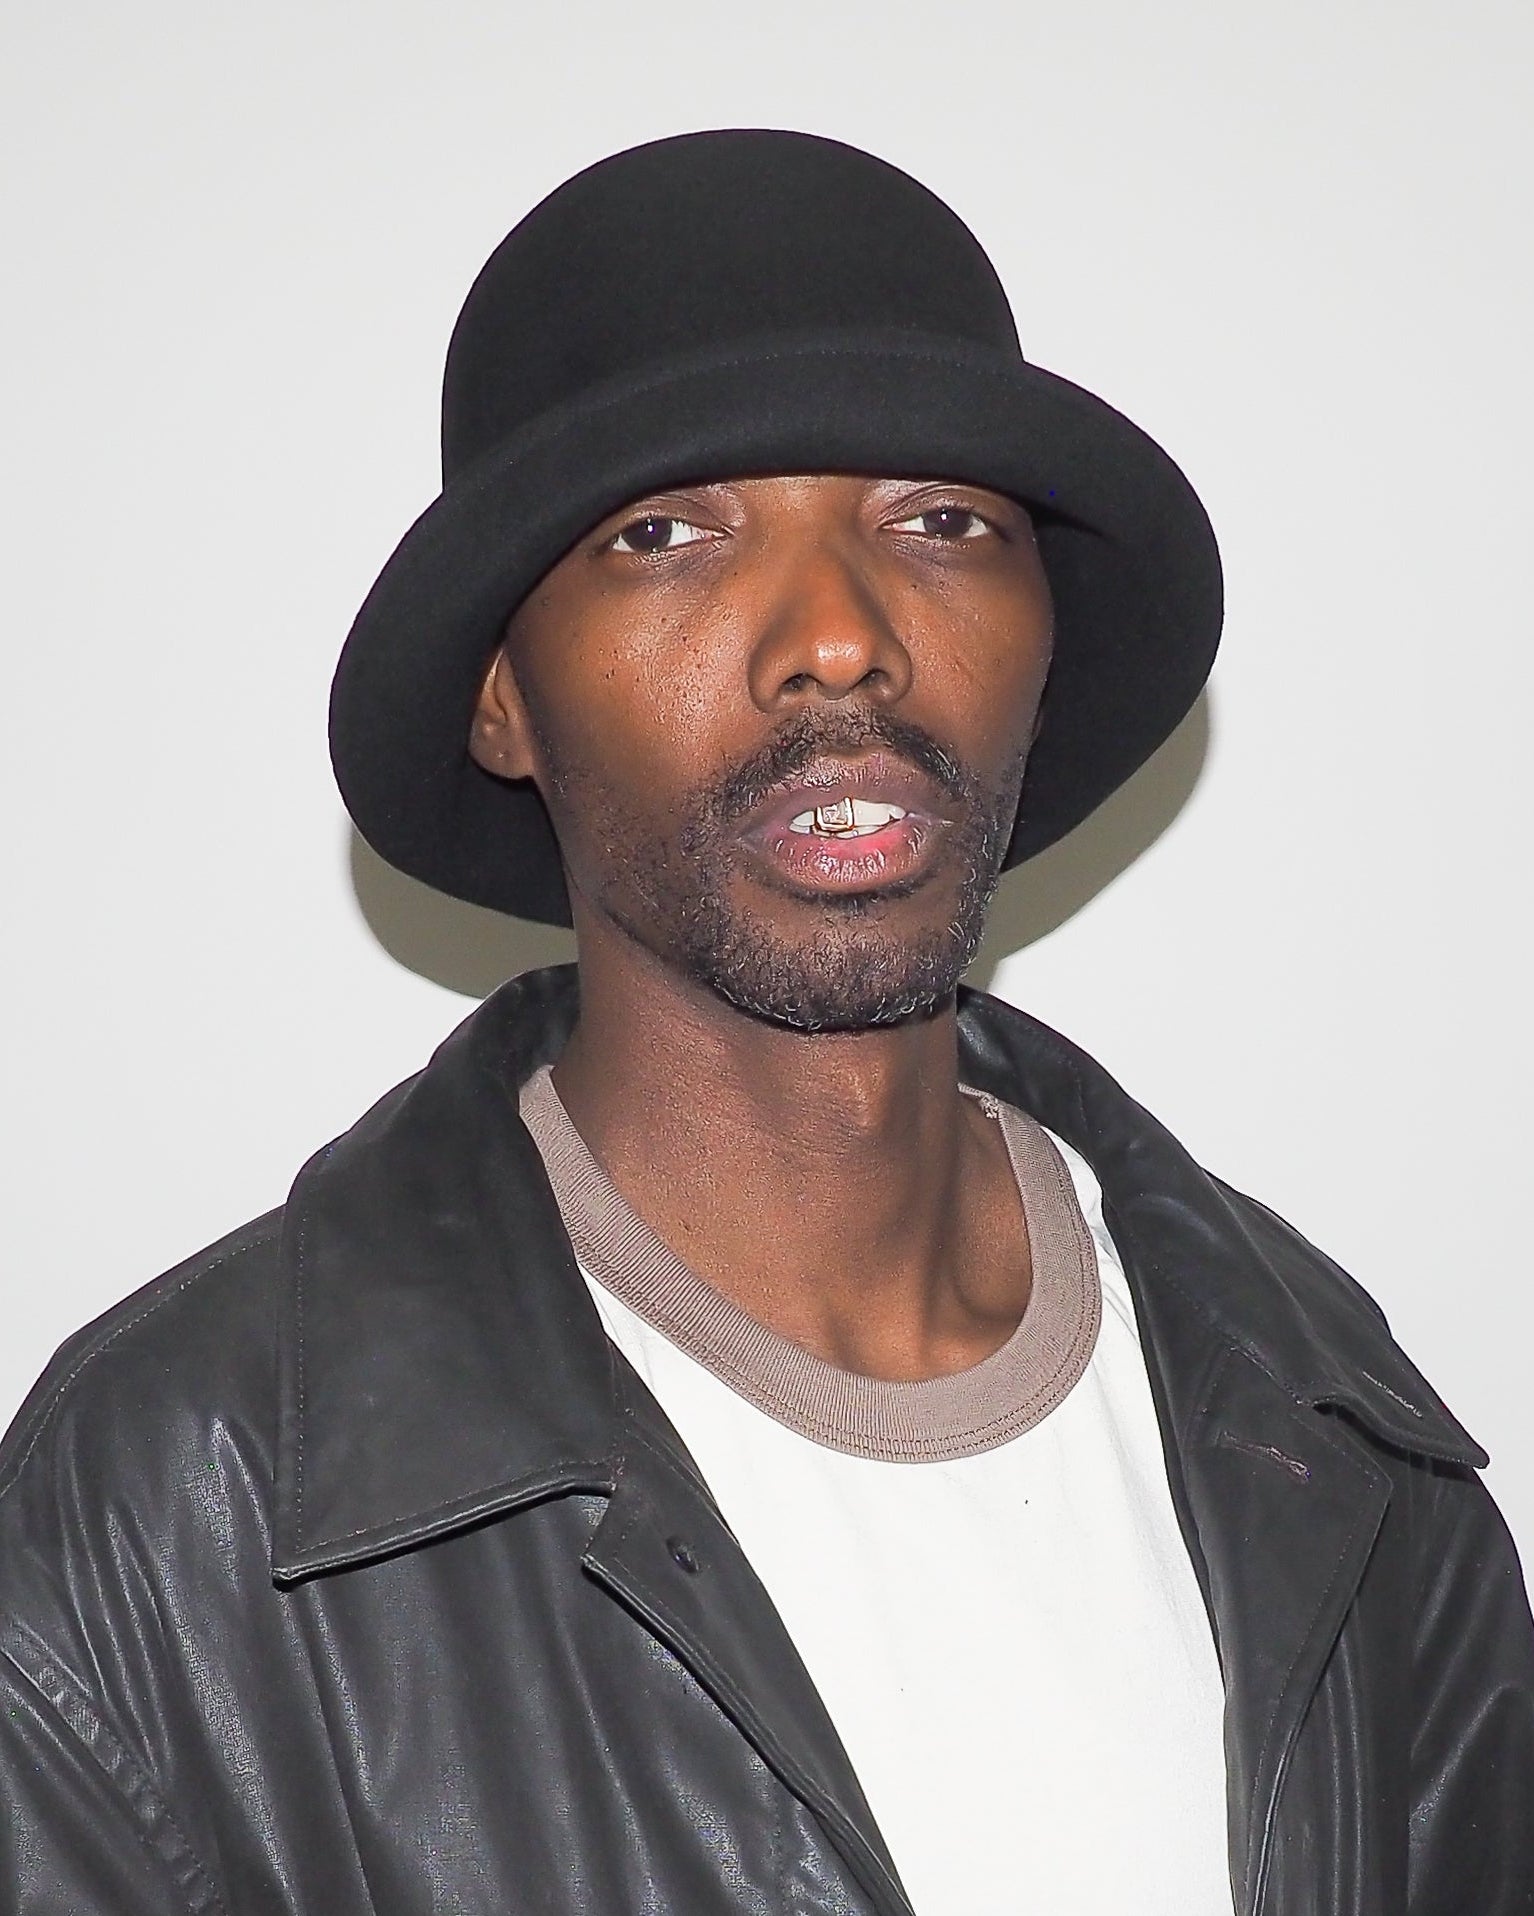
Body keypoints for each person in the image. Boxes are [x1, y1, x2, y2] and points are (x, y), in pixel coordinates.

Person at [0, 129, 1528, 1916]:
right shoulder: (177, 1506)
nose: (837, 639)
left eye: (940, 522)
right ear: (501, 694)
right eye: (668, 535)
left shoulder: (1330, 1433)